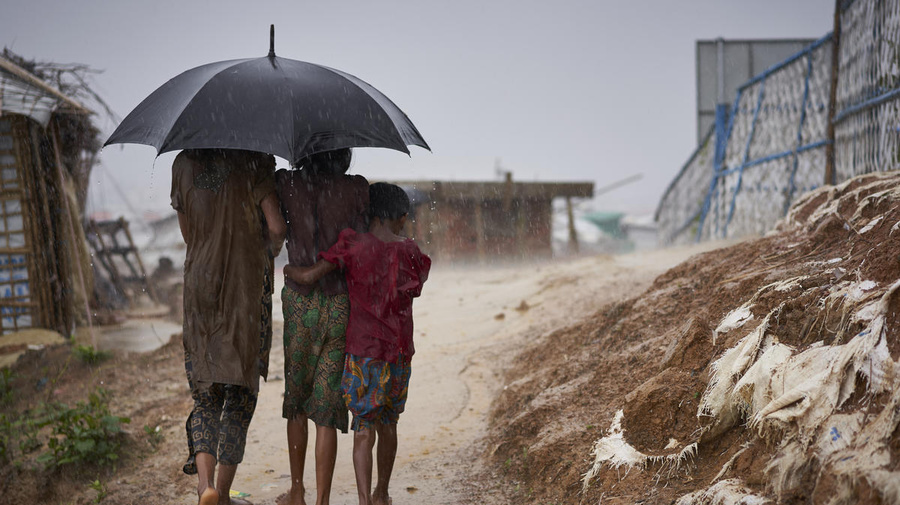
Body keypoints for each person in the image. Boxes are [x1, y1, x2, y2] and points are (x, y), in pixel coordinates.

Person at [284, 183, 431, 505]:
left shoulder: (353, 245)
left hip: (363, 354)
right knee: (389, 424)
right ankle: (382, 493)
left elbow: (310, 277)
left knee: (363, 428)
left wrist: (287, 269)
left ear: (369, 214)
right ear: (403, 217)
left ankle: (364, 499)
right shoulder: (411, 252)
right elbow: (417, 284)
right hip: (399, 354)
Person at [171, 148, 287, 505]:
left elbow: (189, 233)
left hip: (201, 288)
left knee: (206, 395)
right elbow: (277, 227)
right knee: (238, 396)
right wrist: (265, 248)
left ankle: (204, 484)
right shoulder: (254, 160)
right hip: (244, 290)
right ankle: (221, 496)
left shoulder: (183, 164)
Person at [275, 148, 369, 505]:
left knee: (297, 399)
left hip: (300, 301)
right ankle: (322, 500)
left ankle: (297, 490)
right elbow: (356, 245)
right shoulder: (357, 190)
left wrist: (304, 269)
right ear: (343, 151)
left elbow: (274, 233)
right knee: (327, 405)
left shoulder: (287, 183)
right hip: (340, 302)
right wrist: (327, 267)